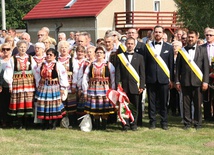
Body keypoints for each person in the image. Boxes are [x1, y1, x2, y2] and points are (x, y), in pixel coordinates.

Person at [175, 30, 209, 130]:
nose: (190, 39)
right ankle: (187, 123)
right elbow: (178, 68)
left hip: (198, 82)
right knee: (186, 104)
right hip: (185, 82)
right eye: (189, 37)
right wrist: (177, 81)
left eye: (192, 37)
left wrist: (205, 81)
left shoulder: (202, 50)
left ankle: (198, 123)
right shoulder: (182, 51)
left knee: (198, 104)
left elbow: (206, 67)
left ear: (196, 37)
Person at [144, 25, 174, 130]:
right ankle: (152, 122)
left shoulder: (169, 47)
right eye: (156, 32)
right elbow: (145, 64)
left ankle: (164, 122)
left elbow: (171, 65)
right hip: (151, 78)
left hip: (164, 79)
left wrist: (172, 79)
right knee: (151, 103)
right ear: (153, 33)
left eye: (159, 32)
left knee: (164, 102)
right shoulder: (147, 47)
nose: (157, 34)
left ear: (163, 34)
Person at [4, 40, 37, 129]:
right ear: (17, 48)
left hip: (28, 83)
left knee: (28, 101)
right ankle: (19, 123)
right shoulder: (12, 59)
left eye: (24, 47)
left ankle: (27, 123)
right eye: (20, 47)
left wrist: (37, 82)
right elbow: (8, 72)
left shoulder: (30, 58)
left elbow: (35, 71)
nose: (22, 49)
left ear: (26, 48)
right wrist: (10, 84)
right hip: (17, 83)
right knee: (19, 101)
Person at [82, 46, 115, 130]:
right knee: (95, 107)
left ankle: (103, 125)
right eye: (97, 53)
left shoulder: (108, 64)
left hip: (105, 89)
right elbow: (85, 78)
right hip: (93, 89)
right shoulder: (91, 65)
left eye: (101, 52)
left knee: (104, 107)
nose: (99, 54)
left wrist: (113, 90)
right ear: (95, 54)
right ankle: (96, 125)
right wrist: (85, 91)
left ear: (104, 54)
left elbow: (113, 78)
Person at [35, 48, 69, 130]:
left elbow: (63, 77)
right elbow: (37, 76)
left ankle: (53, 124)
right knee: (44, 105)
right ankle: (44, 123)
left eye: (51, 55)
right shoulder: (42, 65)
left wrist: (63, 88)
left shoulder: (58, 65)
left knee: (54, 105)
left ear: (55, 56)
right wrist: (38, 85)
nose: (48, 56)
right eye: (47, 54)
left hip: (54, 87)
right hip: (43, 87)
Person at [116, 37, 145, 131]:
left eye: (132, 44)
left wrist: (142, 86)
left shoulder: (140, 57)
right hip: (124, 86)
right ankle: (125, 124)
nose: (130, 45)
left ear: (134, 45)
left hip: (135, 86)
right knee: (124, 106)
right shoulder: (121, 56)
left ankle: (134, 124)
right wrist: (117, 85)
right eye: (128, 43)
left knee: (135, 106)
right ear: (125, 44)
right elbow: (118, 72)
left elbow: (142, 73)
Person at [58, 40, 76, 127]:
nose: (64, 49)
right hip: (59, 85)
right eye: (62, 48)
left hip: (70, 83)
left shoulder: (72, 60)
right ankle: (62, 122)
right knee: (61, 104)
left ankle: (72, 122)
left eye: (65, 47)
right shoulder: (57, 60)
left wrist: (74, 85)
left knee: (71, 104)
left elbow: (76, 73)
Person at [201, 28, 214, 121]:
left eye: (211, 35)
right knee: (206, 95)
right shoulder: (201, 47)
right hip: (204, 74)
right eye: (207, 35)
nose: (208, 36)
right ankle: (207, 115)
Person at [0, 43, 12, 128]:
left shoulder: (13, 60)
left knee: (11, 104)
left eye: (7, 49)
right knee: (3, 104)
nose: (5, 51)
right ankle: (3, 121)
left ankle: (11, 121)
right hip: (2, 86)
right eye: (3, 49)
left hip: (12, 86)